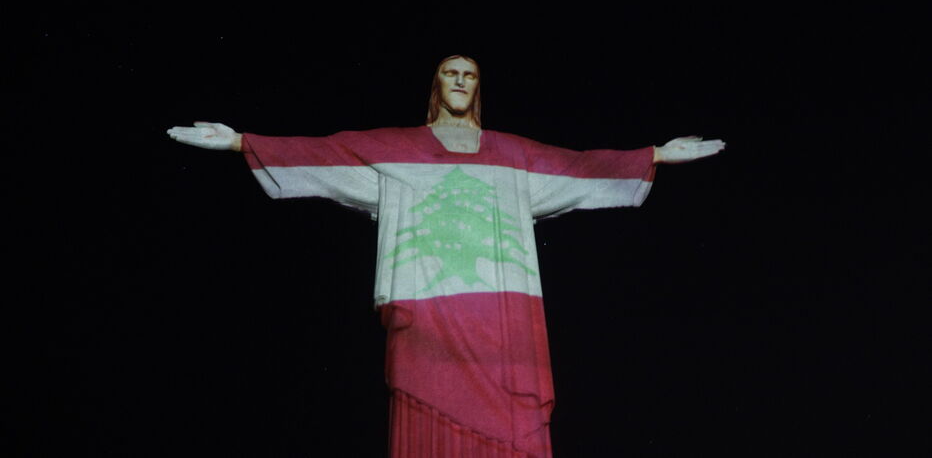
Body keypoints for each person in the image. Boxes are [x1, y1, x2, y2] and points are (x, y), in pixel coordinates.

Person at [168, 55, 724, 457]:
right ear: (436, 84)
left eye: (470, 74)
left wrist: (653, 154)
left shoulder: (513, 155)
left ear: (478, 87)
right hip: (430, 310)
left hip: (504, 319)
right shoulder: (396, 152)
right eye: (450, 72)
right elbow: (325, 153)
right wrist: (243, 141)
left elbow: (579, 167)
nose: (460, 80)